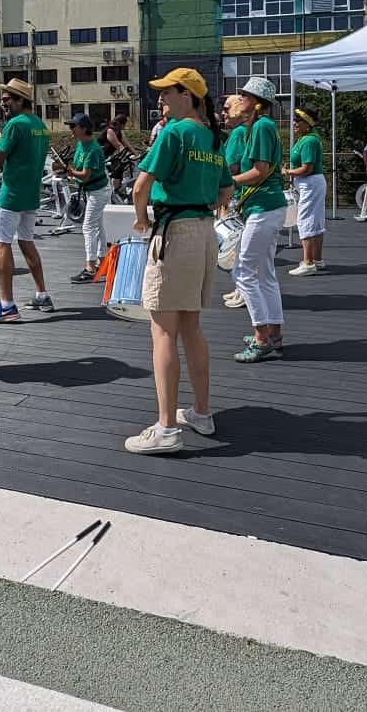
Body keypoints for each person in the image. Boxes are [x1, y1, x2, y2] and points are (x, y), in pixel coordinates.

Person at [126, 67, 230, 454]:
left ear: (187, 94)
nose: (161, 99)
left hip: (175, 233)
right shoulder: (209, 136)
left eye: (167, 92)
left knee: (163, 331)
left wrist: (140, 217)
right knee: (191, 328)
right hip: (204, 233)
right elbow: (225, 190)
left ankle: (167, 428)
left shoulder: (174, 132)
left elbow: (141, 185)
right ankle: (201, 412)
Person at [0, 78, 53, 322]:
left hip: (12, 194)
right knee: (26, 242)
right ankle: (42, 294)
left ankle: (7, 305)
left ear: (21, 100)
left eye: (8, 98)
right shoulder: (40, 124)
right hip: (31, 194)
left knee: (1, 244)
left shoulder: (15, 125)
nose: (4, 102)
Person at [222, 77, 288, 363]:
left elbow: (259, 171)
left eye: (244, 95)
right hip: (267, 207)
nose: (240, 98)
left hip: (263, 207)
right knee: (264, 274)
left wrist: (228, 184)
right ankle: (274, 332)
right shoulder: (258, 127)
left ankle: (261, 337)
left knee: (243, 272)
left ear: (256, 102)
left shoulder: (261, 126)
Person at [58, 113, 111, 282]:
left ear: (83, 128)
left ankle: (90, 266)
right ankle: (103, 262)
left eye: (73, 126)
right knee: (98, 226)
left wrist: (71, 172)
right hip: (92, 190)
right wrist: (65, 170)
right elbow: (77, 169)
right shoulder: (81, 145)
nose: (71, 129)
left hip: (98, 191)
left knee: (88, 227)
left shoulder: (93, 149)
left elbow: (85, 175)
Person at [284, 109, 326, 275]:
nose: (294, 123)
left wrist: (287, 173)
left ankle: (308, 263)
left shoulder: (309, 141)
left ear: (307, 124)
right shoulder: (307, 139)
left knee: (305, 220)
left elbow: (306, 169)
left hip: (309, 183)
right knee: (316, 220)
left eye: (298, 121)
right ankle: (317, 259)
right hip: (311, 183)